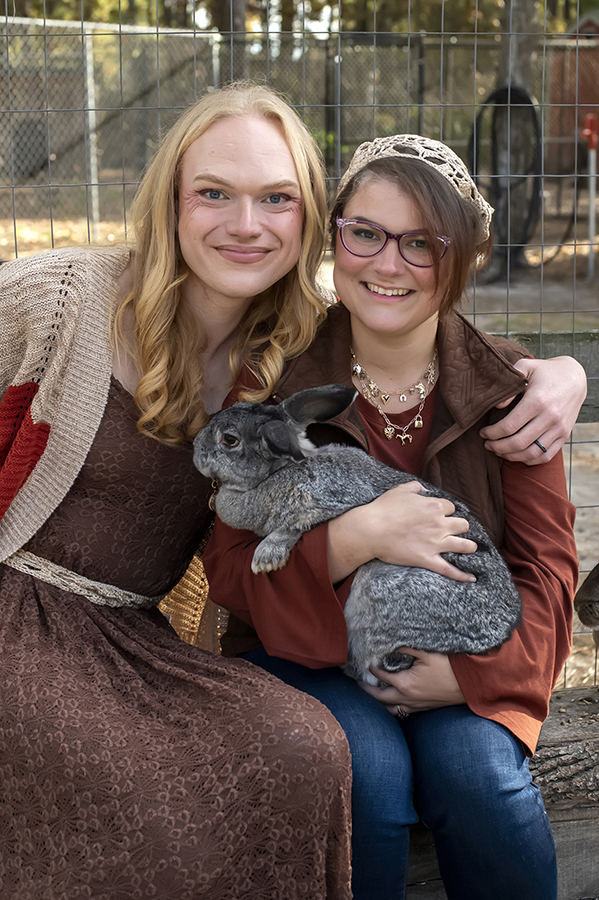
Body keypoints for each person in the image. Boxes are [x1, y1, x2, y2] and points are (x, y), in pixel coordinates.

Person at [0, 82, 354, 900]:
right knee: (141, 797)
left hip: (133, 639)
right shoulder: (60, 301)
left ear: (307, 220)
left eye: (277, 198)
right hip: (15, 612)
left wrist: (563, 373)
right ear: (170, 203)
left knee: (301, 747)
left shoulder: (303, 345)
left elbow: (438, 342)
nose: (244, 224)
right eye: (213, 194)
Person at [203, 133, 580, 900]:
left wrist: (475, 675)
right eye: (365, 233)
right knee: (364, 776)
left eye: (421, 244)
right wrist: (350, 541)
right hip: (308, 653)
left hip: (457, 656)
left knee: (480, 778)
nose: (386, 263)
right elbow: (231, 573)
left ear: (462, 256)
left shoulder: (512, 394)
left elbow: (547, 570)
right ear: (334, 235)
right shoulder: (277, 379)